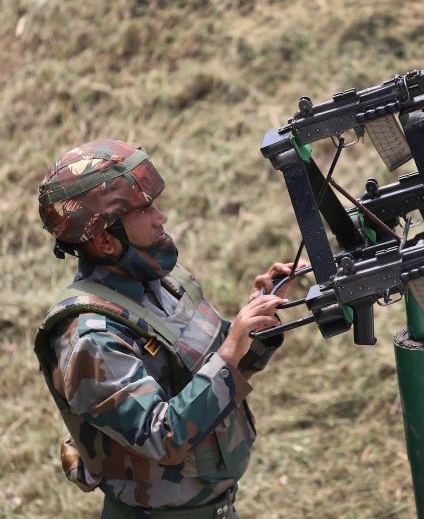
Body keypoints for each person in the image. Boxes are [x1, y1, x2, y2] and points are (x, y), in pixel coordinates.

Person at [34, 139, 300, 518]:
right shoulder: (89, 338)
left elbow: (211, 374)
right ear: (106, 239)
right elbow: (162, 436)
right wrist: (229, 351)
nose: (162, 218)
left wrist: (253, 326)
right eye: (145, 210)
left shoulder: (163, 282)